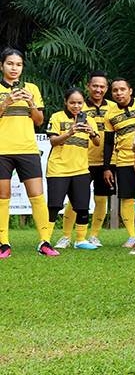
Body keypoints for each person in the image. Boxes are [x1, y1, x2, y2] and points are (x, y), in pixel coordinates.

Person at [0, 47, 54, 258]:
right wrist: (6, 102)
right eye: (10, 64)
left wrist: (31, 102)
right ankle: (4, 243)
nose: (14, 68)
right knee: (3, 196)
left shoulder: (32, 88)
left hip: (28, 149)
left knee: (37, 195)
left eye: (18, 64)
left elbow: (39, 121)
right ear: (2, 65)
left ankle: (45, 241)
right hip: (2, 150)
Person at [57, 72, 112, 248]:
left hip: (105, 162)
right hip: (81, 162)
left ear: (107, 88)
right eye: (95, 85)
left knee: (101, 199)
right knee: (75, 201)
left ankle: (94, 235)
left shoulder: (112, 107)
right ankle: (66, 236)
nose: (98, 89)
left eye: (102, 86)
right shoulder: (78, 105)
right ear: (88, 86)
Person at [45, 88, 101, 249]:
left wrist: (92, 133)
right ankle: (45, 240)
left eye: (79, 103)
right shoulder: (57, 117)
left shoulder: (89, 119)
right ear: (65, 102)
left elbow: (97, 143)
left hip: (81, 169)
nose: (76, 106)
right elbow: (53, 141)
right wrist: (70, 132)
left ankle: (80, 240)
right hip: (58, 169)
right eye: (72, 102)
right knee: (54, 206)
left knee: (82, 206)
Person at [103, 78, 135, 250]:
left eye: (122, 89)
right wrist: (107, 167)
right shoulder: (110, 114)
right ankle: (132, 236)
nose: (119, 93)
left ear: (130, 90)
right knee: (126, 198)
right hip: (124, 160)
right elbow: (109, 143)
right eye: (115, 91)